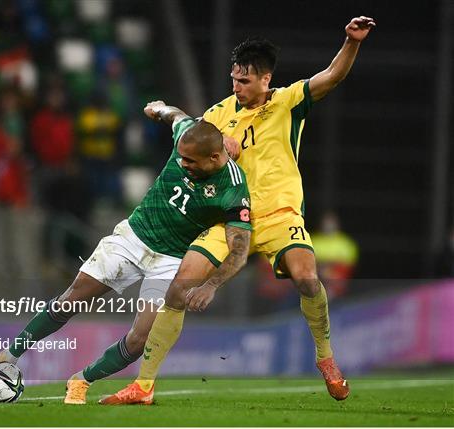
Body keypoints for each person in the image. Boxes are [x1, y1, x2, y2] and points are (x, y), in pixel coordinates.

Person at [102, 16, 375, 405]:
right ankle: (142, 386)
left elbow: (332, 75)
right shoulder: (218, 114)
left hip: (280, 216)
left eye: (244, 81)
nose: (236, 87)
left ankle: (325, 358)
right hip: (230, 216)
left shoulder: (287, 101)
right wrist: (187, 125)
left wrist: (352, 43)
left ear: (266, 79)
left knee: (308, 279)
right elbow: (191, 133)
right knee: (180, 286)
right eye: (233, 79)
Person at [0, 102, 252, 405]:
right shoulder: (187, 134)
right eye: (180, 158)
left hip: (170, 261)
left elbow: (239, 248)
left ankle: (82, 380)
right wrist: (160, 109)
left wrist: (210, 285)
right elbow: (177, 117)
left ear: (214, 157)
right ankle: (5, 358)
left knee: (140, 339)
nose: (183, 164)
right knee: (71, 299)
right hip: (133, 237)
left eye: (191, 161)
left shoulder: (234, 189)